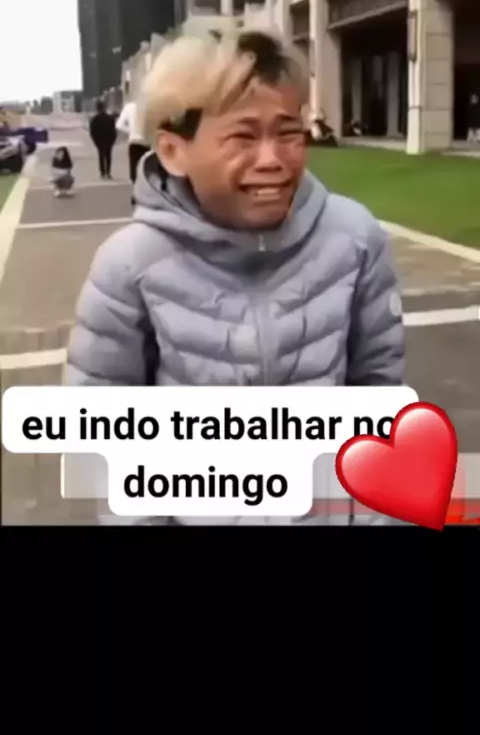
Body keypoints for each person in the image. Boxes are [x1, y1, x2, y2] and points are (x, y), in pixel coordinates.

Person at [66, 28, 405, 526]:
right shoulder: (129, 265)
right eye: (243, 137)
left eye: (289, 133)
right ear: (173, 150)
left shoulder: (355, 238)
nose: (273, 160)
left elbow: (379, 398)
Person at [115, 98, 149, 202]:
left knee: (134, 168)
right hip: (148, 142)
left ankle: (136, 193)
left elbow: (119, 125)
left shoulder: (129, 107)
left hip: (134, 141)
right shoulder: (150, 105)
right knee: (148, 169)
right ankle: (147, 194)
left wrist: (132, 131)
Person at [89, 99, 117, 179]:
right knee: (108, 156)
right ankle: (108, 172)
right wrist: (113, 140)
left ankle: (102, 172)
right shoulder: (110, 118)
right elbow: (114, 130)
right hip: (108, 139)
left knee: (101, 155)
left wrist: (95, 141)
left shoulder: (94, 119)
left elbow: (92, 131)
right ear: (104, 107)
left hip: (99, 140)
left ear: (97, 108)